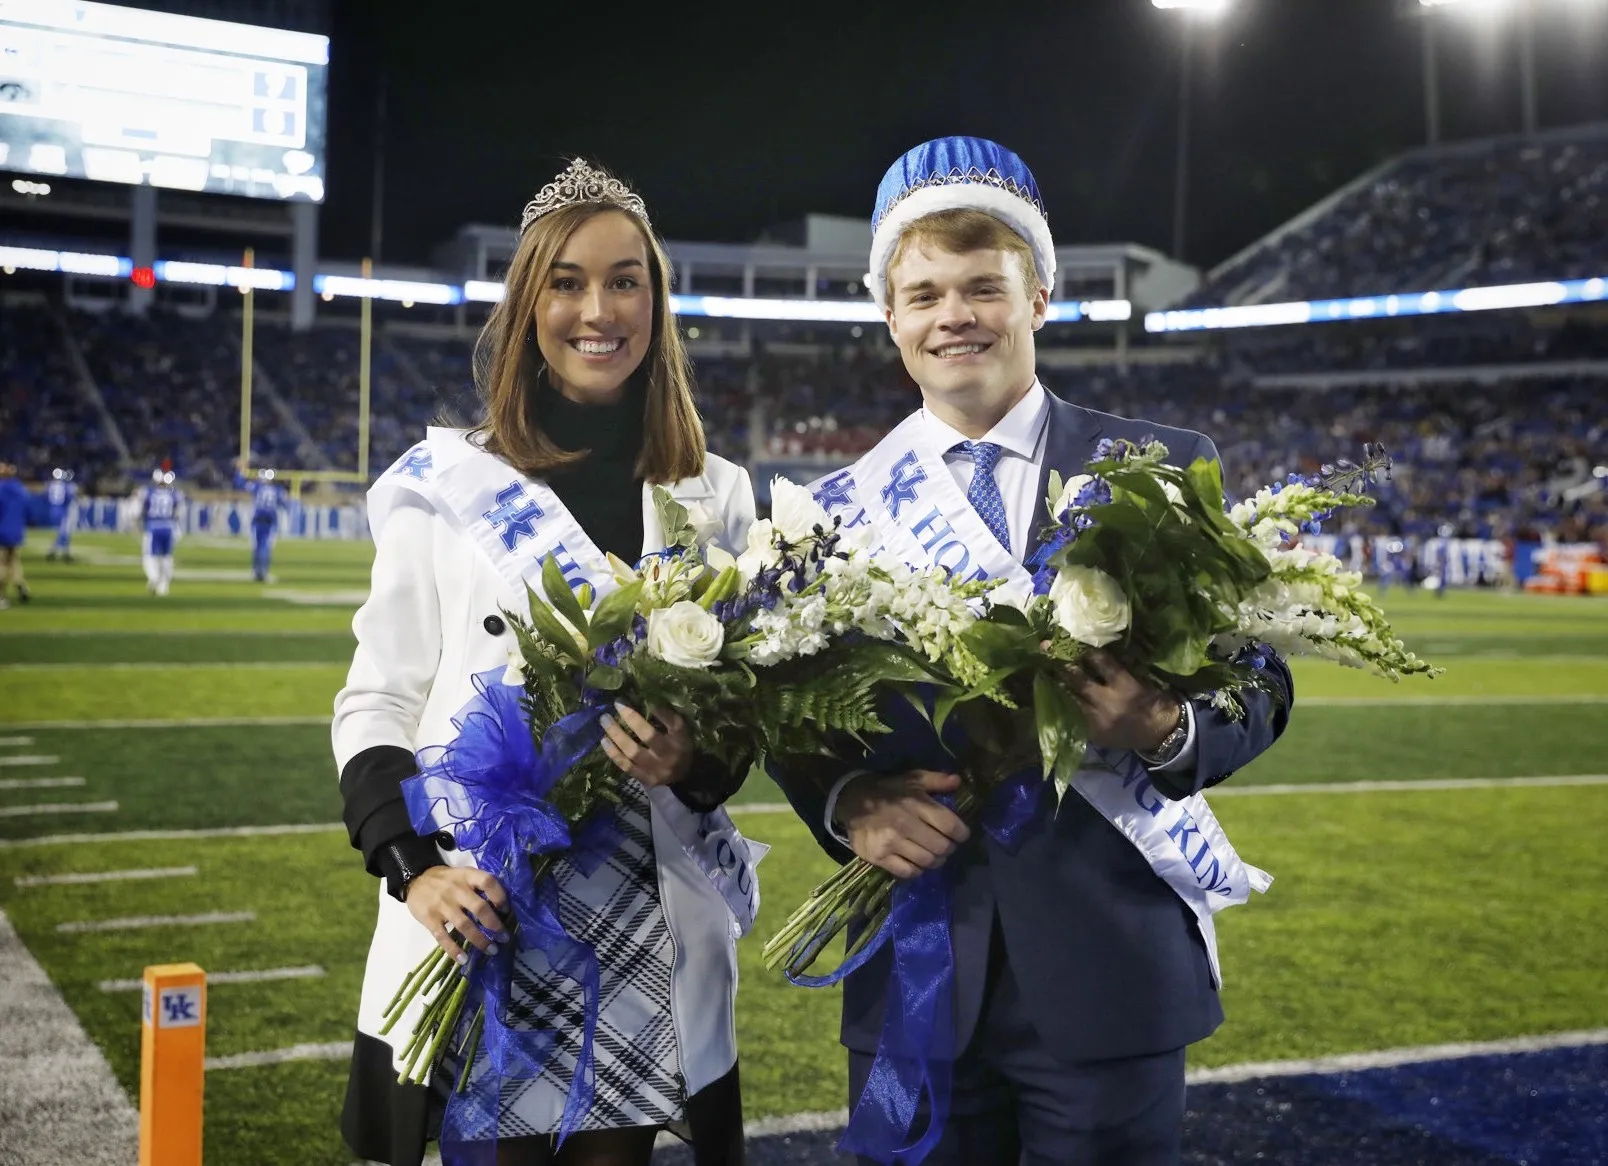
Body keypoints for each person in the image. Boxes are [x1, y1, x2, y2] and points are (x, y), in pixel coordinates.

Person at [768, 138, 1296, 1166]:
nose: (952, 314)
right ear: (891, 318)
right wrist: (850, 802)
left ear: (1041, 296)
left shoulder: (1163, 467)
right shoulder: (824, 512)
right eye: (922, 294)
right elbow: (790, 715)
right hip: (917, 963)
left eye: (982, 287)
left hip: (1111, 970)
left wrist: (1163, 724)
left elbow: (1261, 681)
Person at [333, 159, 757, 1166]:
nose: (597, 309)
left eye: (625, 280)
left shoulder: (719, 495)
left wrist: (691, 756)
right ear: (529, 304)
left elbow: (741, 728)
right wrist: (415, 868)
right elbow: (374, 702)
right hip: (483, 909)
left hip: (645, 914)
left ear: (656, 300)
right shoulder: (447, 486)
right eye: (565, 281)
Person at [136, 468, 184, 596]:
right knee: (167, 557)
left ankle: (154, 577)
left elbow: (140, 511)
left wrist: (139, 525)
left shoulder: (147, 492)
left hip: (154, 527)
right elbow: (178, 513)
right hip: (169, 527)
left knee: (150, 556)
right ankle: (164, 586)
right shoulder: (174, 494)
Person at [242, 467, 286, 582]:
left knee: (256, 547)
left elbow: (242, 484)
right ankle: (263, 572)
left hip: (257, 519)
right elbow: (284, 503)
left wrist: (240, 471)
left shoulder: (257, 486)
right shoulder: (277, 490)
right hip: (270, 521)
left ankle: (256, 571)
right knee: (265, 547)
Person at [0, 462, 30, 608]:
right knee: (14, 562)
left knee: (2, 565)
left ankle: (1, 597)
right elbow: (27, 509)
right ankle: (19, 583)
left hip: (2, 532)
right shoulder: (21, 489)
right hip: (17, 532)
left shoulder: (0, 489)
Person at [45, 467, 77, 562]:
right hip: (62, 510)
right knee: (64, 532)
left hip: (53, 510)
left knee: (62, 532)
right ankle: (58, 552)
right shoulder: (65, 485)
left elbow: (45, 496)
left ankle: (61, 552)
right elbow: (69, 497)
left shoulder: (50, 485)